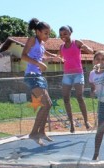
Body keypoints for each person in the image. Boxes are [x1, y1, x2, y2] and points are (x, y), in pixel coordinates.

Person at [22, 18, 55, 146]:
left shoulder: (41, 44)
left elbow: (40, 55)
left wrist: (51, 57)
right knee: (45, 104)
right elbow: (24, 55)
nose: (48, 36)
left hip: (38, 76)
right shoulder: (32, 40)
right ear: (38, 31)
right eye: (46, 33)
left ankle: (41, 131)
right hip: (31, 76)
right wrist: (39, 63)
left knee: (49, 104)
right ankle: (33, 133)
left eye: (49, 33)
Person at [59, 25, 94, 133]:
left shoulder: (76, 43)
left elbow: (91, 51)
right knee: (65, 98)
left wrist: (86, 48)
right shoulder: (61, 47)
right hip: (67, 75)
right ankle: (71, 123)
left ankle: (86, 121)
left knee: (79, 97)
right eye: (61, 35)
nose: (63, 36)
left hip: (78, 74)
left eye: (65, 33)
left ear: (70, 33)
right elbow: (61, 57)